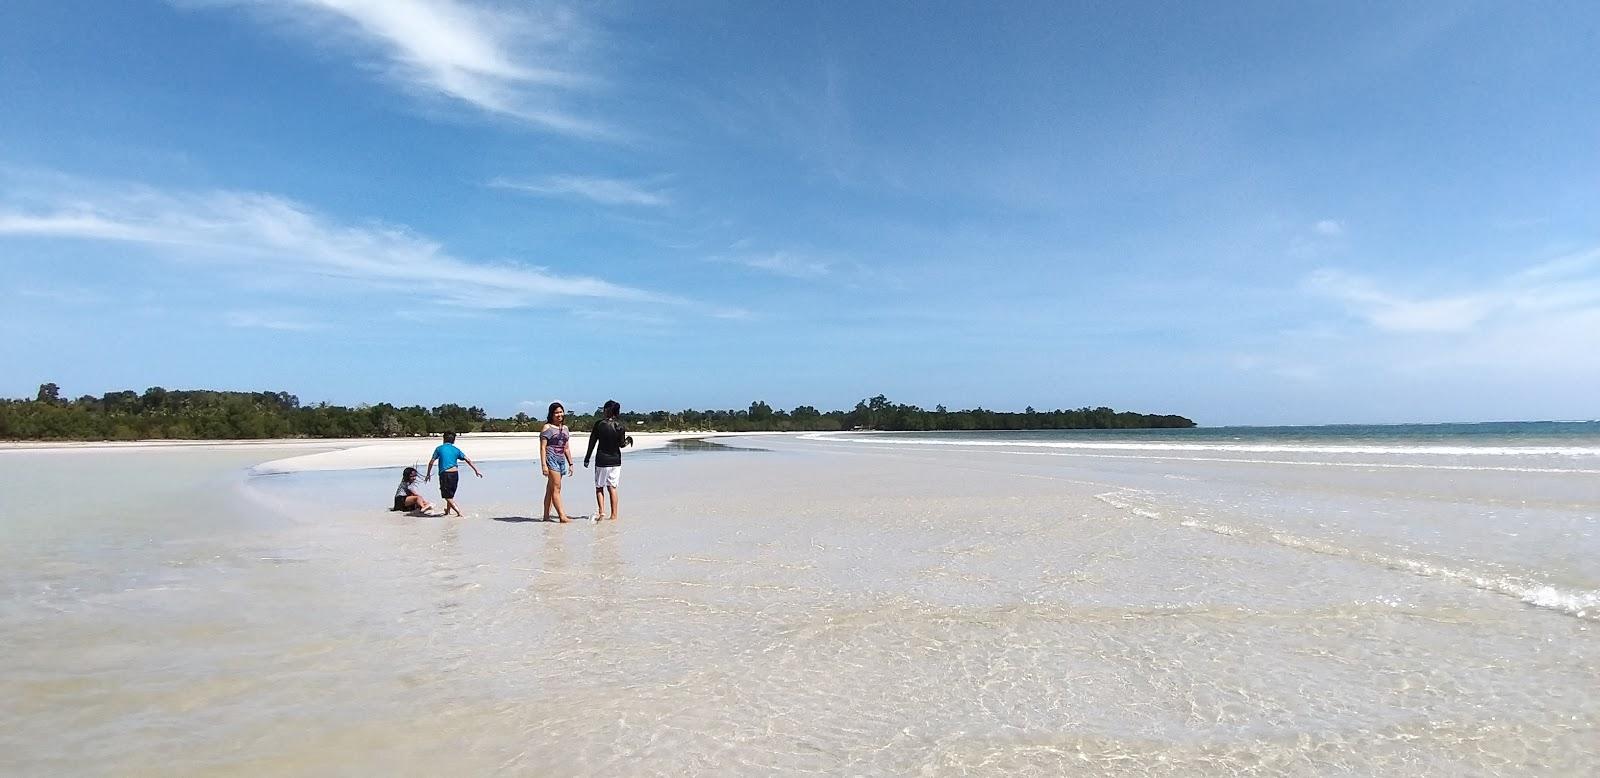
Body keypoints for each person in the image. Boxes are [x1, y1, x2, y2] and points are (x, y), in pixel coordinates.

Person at [583, 399, 632, 521]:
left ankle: (602, 512)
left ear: (606, 410)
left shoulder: (599, 424)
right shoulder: (620, 426)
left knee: (599, 487)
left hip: (602, 460)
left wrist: (587, 458)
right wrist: (629, 440)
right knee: (612, 488)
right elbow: (621, 444)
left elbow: (592, 442)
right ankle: (614, 516)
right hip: (616, 461)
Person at [425, 431, 483, 517]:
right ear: (453, 440)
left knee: (446, 496)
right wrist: (476, 470)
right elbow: (467, 459)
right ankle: (447, 511)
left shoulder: (439, 448)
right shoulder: (456, 449)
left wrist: (428, 474)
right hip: (455, 474)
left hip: (445, 474)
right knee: (450, 494)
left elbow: (431, 462)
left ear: (443, 439)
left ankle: (459, 512)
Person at [539, 402, 577, 523]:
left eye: (561, 412)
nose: (559, 414)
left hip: (561, 460)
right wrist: (544, 465)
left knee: (550, 489)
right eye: (556, 412)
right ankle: (562, 516)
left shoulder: (565, 429)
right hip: (551, 460)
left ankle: (546, 516)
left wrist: (570, 463)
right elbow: (542, 448)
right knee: (557, 488)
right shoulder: (547, 428)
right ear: (551, 414)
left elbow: (566, 447)